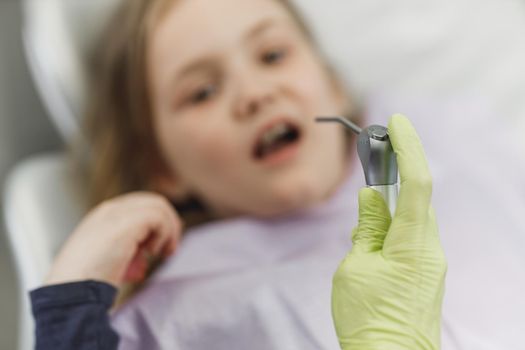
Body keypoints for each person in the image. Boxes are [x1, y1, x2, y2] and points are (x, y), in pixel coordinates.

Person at [30, 0, 449, 348]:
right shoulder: (180, 316)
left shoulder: (457, 152)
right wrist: (70, 301)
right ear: (161, 168)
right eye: (203, 92)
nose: (255, 94)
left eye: (272, 55)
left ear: (333, 85)